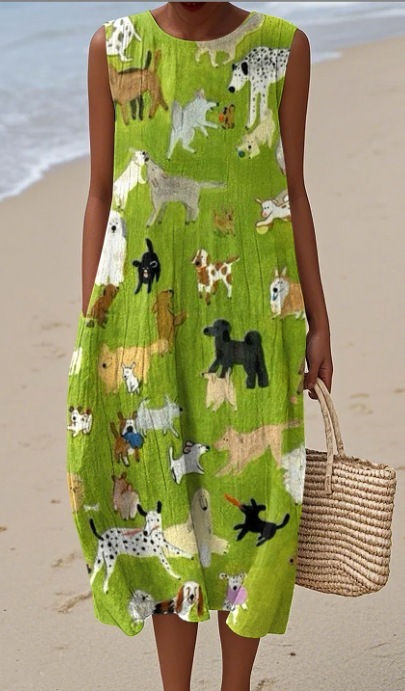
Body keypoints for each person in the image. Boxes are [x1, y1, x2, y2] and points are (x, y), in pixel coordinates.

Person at [66, 3, 333, 690]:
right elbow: (99, 193)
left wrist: (319, 320)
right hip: (141, 318)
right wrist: (93, 317)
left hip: (256, 312)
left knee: (254, 493)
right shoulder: (114, 47)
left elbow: (292, 190)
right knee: (163, 497)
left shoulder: (282, 48)